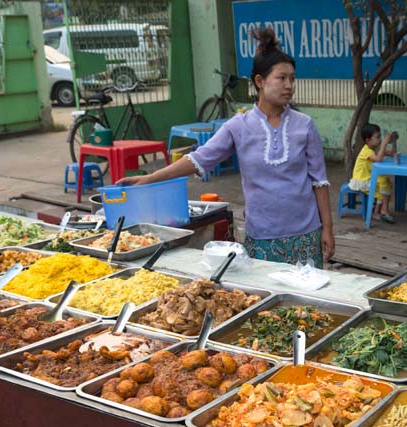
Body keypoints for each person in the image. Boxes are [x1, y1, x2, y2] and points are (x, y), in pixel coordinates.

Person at [119, 28, 334, 268]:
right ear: (260, 82)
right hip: (262, 237)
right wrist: (151, 178)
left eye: (292, 79)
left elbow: (319, 182)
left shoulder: (304, 125)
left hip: (306, 235)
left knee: (308, 303)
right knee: (267, 301)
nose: (289, 85)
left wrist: (327, 229)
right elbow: (199, 159)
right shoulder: (238, 126)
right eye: (281, 78)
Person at [348, 124, 397, 223]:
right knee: (383, 182)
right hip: (360, 181)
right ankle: (382, 210)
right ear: (368, 140)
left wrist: (394, 142)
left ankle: (379, 211)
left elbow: (392, 153)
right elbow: (378, 159)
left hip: (368, 178)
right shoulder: (366, 151)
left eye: (380, 136)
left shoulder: (375, 149)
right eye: (377, 137)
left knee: (385, 181)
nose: (380, 139)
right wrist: (383, 144)